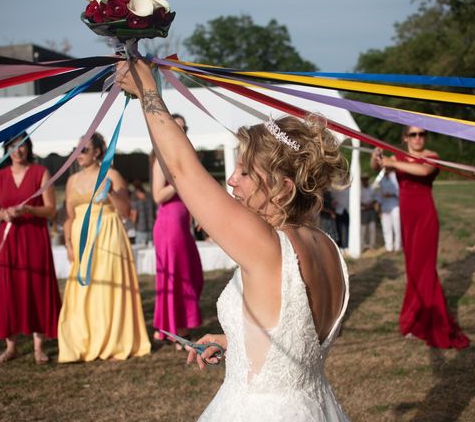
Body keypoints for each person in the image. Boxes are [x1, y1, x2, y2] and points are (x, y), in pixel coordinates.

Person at [117, 60, 351, 421]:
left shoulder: (267, 246)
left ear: (282, 188)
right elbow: (296, 340)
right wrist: (236, 344)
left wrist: (148, 88)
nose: (231, 180)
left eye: (244, 171)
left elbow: (180, 169)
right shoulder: (328, 247)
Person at [371, 127, 469, 349]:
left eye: (421, 134)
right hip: (407, 217)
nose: (418, 138)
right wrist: (376, 157)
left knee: (424, 269)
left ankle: (428, 321)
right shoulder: (398, 156)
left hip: (425, 216)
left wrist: (392, 163)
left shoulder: (432, 156)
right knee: (413, 269)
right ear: (405, 137)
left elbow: (424, 172)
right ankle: (415, 319)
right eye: (413, 134)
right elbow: (376, 167)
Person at [58, 133, 151, 361]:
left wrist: (109, 192)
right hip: (81, 241)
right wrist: (69, 244)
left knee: (109, 288)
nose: (78, 154)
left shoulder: (112, 175)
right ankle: (83, 341)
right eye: (77, 149)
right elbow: (69, 218)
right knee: (85, 290)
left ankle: (113, 341)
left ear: (97, 152)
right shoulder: (71, 181)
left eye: (84, 149)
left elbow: (125, 211)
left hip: (108, 236)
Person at [0, 133, 61, 365]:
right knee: (9, 288)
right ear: (7, 149)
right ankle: (11, 347)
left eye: (22, 146)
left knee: (36, 287)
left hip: (34, 238)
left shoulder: (41, 173)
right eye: (12, 146)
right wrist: (5, 214)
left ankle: (38, 347)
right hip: (9, 239)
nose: (18, 151)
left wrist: (29, 209)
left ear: (28, 148)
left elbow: (51, 210)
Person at [150, 114, 204, 345]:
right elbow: (157, 196)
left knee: (193, 274)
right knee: (175, 277)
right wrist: (176, 180)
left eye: (184, 127)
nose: (181, 131)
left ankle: (171, 326)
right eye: (177, 127)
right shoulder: (161, 159)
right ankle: (175, 329)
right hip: (169, 226)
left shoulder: (185, 158)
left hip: (183, 225)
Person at [375, 168, 401, 252]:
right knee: (386, 227)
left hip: (395, 205)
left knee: (397, 227)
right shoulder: (381, 179)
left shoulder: (395, 178)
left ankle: (397, 246)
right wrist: (379, 207)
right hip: (385, 206)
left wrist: (391, 194)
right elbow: (378, 194)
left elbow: (399, 192)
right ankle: (388, 247)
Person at [129, 179, 154, 245]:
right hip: (152, 229)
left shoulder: (134, 199)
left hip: (141, 230)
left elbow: (134, 217)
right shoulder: (149, 197)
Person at [360, 175, 378, 250]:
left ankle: (372, 245)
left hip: (371, 210)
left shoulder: (372, 188)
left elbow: (375, 198)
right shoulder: (359, 189)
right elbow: (357, 200)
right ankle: (362, 245)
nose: (365, 181)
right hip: (363, 210)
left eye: (366, 179)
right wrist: (365, 205)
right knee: (363, 229)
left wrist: (370, 204)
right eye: (363, 179)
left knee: (372, 228)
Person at [331, 186, 350, 251]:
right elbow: (333, 199)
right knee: (339, 229)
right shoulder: (336, 189)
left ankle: (346, 246)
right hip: (338, 211)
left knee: (347, 229)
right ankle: (340, 246)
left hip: (347, 211)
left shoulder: (350, 189)